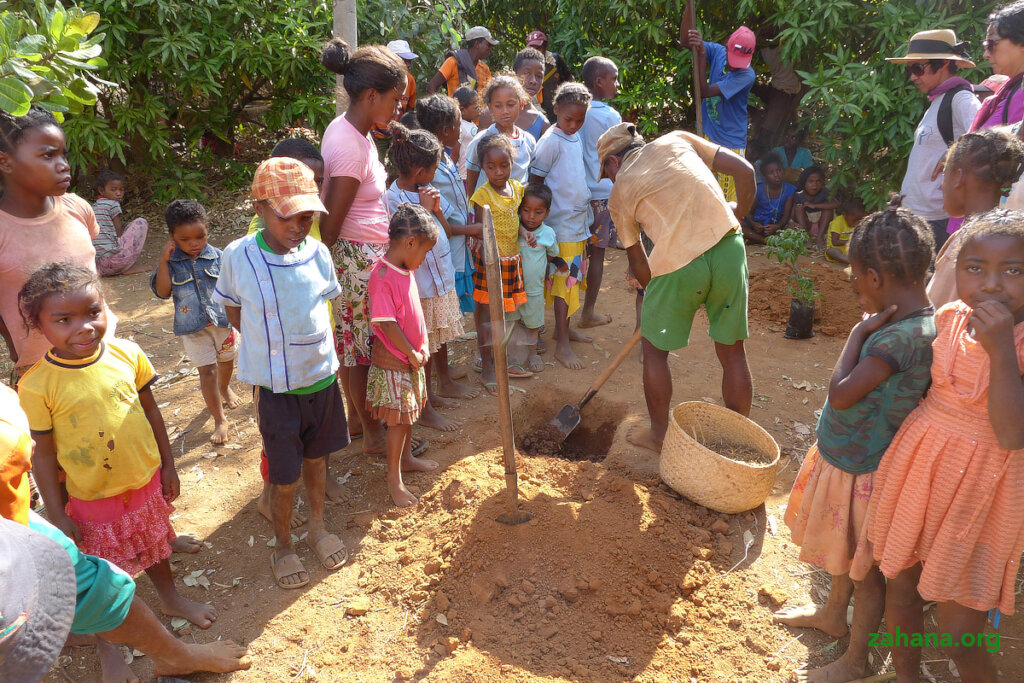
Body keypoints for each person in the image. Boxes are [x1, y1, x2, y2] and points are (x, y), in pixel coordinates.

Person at [777, 204, 936, 683]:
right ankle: (832, 615)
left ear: (874, 278)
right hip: (856, 460)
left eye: (855, 282)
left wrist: (854, 335)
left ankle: (855, 660)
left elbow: (842, 395)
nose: (856, 291)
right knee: (848, 556)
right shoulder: (918, 323)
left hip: (863, 469)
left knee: (866, 574)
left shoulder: (895, 340)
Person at [866, 208, 1024, 683]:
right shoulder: (949, 318)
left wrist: (1001, 349)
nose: (991, 284)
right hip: (921, 472)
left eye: (1013, 271)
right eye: (975, 268)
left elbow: (1012, 434)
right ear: (957, 270)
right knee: (901, 587)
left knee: (960, 631)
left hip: (984, 492)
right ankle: (907, 675)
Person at [0, 385, 251, 680]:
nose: (31, 446)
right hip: (76, 513)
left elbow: (96, 592)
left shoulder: (33, 540)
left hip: (27, 532)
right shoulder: (38, 384)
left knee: (92, 585)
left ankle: (175, 655)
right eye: (19, 461)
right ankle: (112, 646)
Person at [16, 263, 216, 629]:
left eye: (93, 312)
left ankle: (170, 598)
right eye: (64, 320)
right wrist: (58, 513)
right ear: (39, 325)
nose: (84, 327)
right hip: (92, 495)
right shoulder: (36, 385)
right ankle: (109, 634)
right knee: (106, 567)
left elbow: (151, 412)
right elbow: (42, 453)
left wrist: (168, 465)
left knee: (152, 538)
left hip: (143, 479)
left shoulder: (128, 354)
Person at [213, 157, 350, 589]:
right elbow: (234, 310)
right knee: (284, 475)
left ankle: (317, 528)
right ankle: (284, 544)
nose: (298, 226)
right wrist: (269, 347)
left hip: (322, 380)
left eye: (306, 217)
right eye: (286, 216)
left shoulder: (318, 253)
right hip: (276, 389)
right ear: (259, 209)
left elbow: (323, 305)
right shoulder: (239, 256)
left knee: (317, 460)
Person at [599, 122, 755, 452]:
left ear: (613, 162)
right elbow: (746, 170)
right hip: (730, 246)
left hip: (678, 262)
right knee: (732, 351)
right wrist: (739, 214)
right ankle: (739, 442)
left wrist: (654, 294)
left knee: (654, 352)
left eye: (607, 172)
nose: (610, 179)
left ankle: (659, 436)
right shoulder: (678, 139)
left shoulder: (619, 192)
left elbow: (638, 260)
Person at [319, 38, 419, 461]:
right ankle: (373, 433)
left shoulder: (355, 133)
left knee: (357, 346)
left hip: (365, 257)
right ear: (372, 95)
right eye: (396, 99)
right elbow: (329, 227)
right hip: (356, 260)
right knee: (362, 351)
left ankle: (361, 422)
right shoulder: (347, 145)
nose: (399, 108)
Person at [0, 106, 118, 380]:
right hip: (40, 370)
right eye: (48, 155)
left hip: (105, 353)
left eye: (63, 154)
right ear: (5, 162)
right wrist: (14, 346)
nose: (64, 164)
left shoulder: (78, 208)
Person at [385, 122, 479, 430]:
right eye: (434, 167)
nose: (436, 172)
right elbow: (413, 243)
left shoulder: (425, 192)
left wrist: (436, 210)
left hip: (440, 280)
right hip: (420, 287)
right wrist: (427, 211)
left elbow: (446, 230)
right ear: (419, 171)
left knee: (437, 337)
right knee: (423, 344)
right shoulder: (394, 201)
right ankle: (423, 407)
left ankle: (442, 385)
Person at [366, 203, 443, 507]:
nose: (424, 260)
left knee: (407, 414)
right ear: (411, 243)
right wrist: (410, 352)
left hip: (410, 358)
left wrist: (420, 347)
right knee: (397, 422)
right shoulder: (383, 276)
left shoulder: (404, 269)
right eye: (424, 252)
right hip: (395, 361)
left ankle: (407, 459)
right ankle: (394, 480)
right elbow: (386, 323)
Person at [150, 200, 239, 444]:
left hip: (222, 324)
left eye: (200, 236)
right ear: (172, 237)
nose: (194, 243)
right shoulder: (171, 263)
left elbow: (234, 290)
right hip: (194, 330)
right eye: (185, 239)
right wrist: (163, 261)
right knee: (207, 372)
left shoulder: (220, 257)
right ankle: (220, 419)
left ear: (207, 229)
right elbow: (162, 291)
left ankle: (224, 387)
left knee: (226, 363)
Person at [886, 28, 980, 249]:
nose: (913, 76)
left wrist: (954, 154)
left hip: (937, 220)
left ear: (944, 63)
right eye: (910, 69)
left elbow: (988, 138)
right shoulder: (940, 100)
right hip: (917, 215)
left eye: (918, 68)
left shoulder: (961, 99)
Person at [529, 83, 593, 370]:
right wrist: (538, 221)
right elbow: (536, 181)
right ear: (555, 109)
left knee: (572, 279)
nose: (574, 125)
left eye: (580, 120)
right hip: (560, 226)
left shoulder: (574, 137)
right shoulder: (550, 141)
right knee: (563, 282)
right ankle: (562, 344)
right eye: (569, 119)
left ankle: (563, 330)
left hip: (578, 223)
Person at [928, 128, 1024, 308]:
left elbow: (937, 309)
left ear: (958, 177)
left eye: (945, 173)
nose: (942, 185)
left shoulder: (964, 244)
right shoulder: (1010, 237)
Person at [470, 133, 529, 394]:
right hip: (491, 264)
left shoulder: (516, 189)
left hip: (512, 261)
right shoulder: (482, 195)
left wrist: (524, 232)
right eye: (491, 167)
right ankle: (487, 368)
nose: (498, 172)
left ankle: (500, 358)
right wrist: (485, 254)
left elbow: (516, 220)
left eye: (504, 165)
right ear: (483, 167)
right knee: (486, 315)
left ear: (512, 163)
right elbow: (480, 230)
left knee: (503, 315)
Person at [415, 93, 483, 315]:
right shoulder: (430, 170)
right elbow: (437, 222)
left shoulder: (445, 158)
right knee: (447, 310)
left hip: (459, 249)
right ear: (446, 130)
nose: (461, 131)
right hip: (446, 252)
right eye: (458, 126)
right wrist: (471, 230)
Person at [684, 22, 757, 203]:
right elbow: (686, 41)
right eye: (733, 60)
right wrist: (688, 9)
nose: (735, 66)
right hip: (708, 136)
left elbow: (704, 92)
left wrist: (702, 55)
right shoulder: (718, 51)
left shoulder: (746, 75)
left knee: (724, 204)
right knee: (704, 194)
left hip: (729, 145)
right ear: (726, 46)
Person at [578, 56, 622, 326]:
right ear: (598, 82)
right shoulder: (609, 116)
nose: (617, 84)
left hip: (578, 194)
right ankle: (588, 312)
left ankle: (567, 314)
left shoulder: (575, 110)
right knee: (597, 255)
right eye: (613, 79)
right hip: (603, 195)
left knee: (575, 253)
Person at [465, 75, 537, 195]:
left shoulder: (528, 141)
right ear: (490, 107)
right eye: (498, 106)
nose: (505, 111)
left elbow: (530, 176)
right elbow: (471, 177)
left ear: (521, 104)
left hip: (518, 206)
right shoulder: (481, 141)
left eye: (510, 104)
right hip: (488, 205)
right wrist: (472, 205)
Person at [517, 183, 561, 373]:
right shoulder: (514, 230)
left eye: (538, 212)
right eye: (526, 210)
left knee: (533, 324)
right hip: (512, 288)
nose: (531, 216)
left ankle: (533, 353)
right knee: (511, 321)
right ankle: (513, 355)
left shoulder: (548, 234)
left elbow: (552, 255)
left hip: (534, 290)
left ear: (547, 213)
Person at [478, 48, 549, 141]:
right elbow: (477, 147)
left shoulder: (542, 123)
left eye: (539, 76)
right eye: (527, 73)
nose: (533, 81)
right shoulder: (490, 114)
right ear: (515, 73)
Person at [973, 2, 1024, 131]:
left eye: (991, 44)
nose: (985, 55)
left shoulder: (1020, 93)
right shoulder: (1010, 89)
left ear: (1021, 43)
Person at [91, 169, 149, 276]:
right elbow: (118, 233)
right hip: (115, 262)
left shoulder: (93, 207)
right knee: (141, 222)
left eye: (121, 190)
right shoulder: (113, 204)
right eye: (113, 190)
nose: (118, 193)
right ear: (101, 190)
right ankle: (128, 266)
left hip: (98, 266)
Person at [372, 39, 420, 165]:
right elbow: (370, 106)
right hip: (377, 133)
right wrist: (370, 131)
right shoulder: (378, 80)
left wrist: (404, 130)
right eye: (404, 60)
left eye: (409, 60)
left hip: (396, 132)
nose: (408, 64)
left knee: (400, 164)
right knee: (376, 164)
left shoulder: (410, 81)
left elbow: (409, 109)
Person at [741, 152, 795, 244]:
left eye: (779, 170)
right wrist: (754, 224)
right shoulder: (759, 190)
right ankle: (765, 241)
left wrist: (777, 226)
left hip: (776, 227)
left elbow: (786, 217)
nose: (776, 174)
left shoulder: (789, 189)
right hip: (758, 226)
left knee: (793, 228)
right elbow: (749, 212)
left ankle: (757, 239)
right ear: (765, 176)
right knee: (740, 226)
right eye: (771, 172)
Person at [429, 26, 498, 96]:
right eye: (488, 45)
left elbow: (490, 95)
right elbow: (432, 86)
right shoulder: (453, 62)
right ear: (477, 44)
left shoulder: (485, 69)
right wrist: (438, 102)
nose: (490, 48)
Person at [525, 30, 574, 121]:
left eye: (538, 48)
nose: (535, 52)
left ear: (546, 46)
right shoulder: (523, 66)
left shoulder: (555, 60)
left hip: (560, 111)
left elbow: (569, 79)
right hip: (538, 115)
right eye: (532, 49)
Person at [791, 165, 837, 249]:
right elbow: (793, 214)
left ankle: (820, 239)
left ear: (822, 183)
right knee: (798, 207)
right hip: (806, 226)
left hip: (822, 226)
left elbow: (835, 204)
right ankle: (806, 238)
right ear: (804, 183)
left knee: (828, 209)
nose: (814, 185)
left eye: (818, 181)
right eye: (810, 181)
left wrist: (815, 205)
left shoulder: (824, 192)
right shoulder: (799, 195)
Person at [824, 195, 867, 264]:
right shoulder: (837, 222)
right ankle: (852, 262)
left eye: (859, 220)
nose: (857, 223)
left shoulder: (859, 224)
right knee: (832, 251)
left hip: (850, 251)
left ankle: (857, 262)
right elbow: (835, 242)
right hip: (837, 250)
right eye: (854, 220)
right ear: (844, 215)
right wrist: (852, 241)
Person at [455, 86, 482, 181]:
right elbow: (454, 154)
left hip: (472, 174)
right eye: (476, 107)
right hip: (463, 176)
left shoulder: (472, 125)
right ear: (462, 110)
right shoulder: (460, 127)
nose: (479, 109)